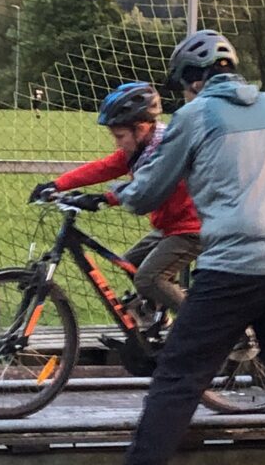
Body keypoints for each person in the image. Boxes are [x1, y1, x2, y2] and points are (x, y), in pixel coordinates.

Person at [76, 31, 265, 465]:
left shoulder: (195, 115)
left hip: (236, 264)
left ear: (192, 80)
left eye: (182, 85)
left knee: (179, 378)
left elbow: (149, 190)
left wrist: (115, 195)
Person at [29, 82, 202, 319]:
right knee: (130, 262)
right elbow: (105, 167)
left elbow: (147, 189)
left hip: (192, 230)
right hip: (170, 228)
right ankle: (158, 318)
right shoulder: (140, 149)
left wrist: (105, 198)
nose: (117, 143)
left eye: (120, 136)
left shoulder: (166, 150)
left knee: (149, 279)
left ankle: (199, 325)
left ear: (141, 128)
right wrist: (57, 184)